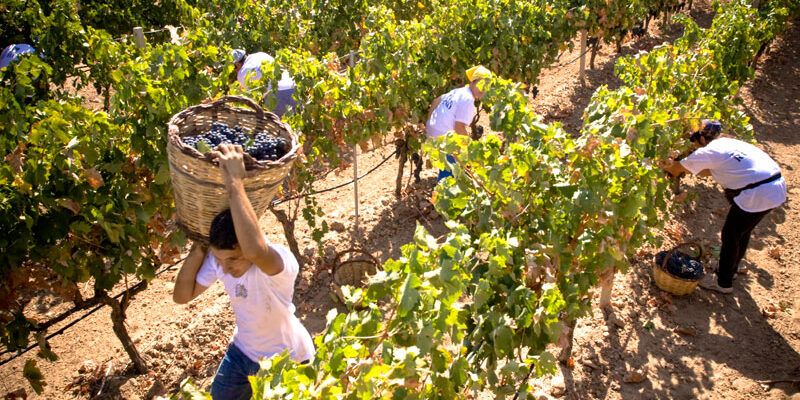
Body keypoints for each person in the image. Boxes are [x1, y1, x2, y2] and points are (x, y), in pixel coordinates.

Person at [173, 143, 314, 400]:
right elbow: (182, 296)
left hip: (288, 359)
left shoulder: (278, 263)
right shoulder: (221, 260)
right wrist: (200, 248)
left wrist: (234, 181)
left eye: (233, 259)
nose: (226, 268)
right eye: (220, 260)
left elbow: (254, 251)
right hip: (243, 352)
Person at [663, 120, 787, 294]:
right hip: (775, 186)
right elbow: (710, 171)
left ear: (701, 139)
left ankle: (723, 282)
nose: (693, 145)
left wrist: (666, 164)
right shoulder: (728, 143)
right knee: (742, 232)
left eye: (694, 141)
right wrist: (687, 167)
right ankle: (731, 271)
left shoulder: (707, 151)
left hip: (758, 192)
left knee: (730, 235)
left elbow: (675, 169)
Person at [426, 65, 492, 181]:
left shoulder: (459, 91)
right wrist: (470, 150)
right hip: (443, 137)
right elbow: (459, 128)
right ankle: (443, 192)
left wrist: (429, 123)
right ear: (473, 82)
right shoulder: (468, 100)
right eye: (481, 84)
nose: (483, 89)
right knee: (452, 167)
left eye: (487, 86)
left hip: (433, 132)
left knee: (452, 163)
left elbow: (436, 101)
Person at [231, 49, 296, 117]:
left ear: (237, 64)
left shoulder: (242, 74)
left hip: (278, 96)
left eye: (234, 67)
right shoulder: (261, 54)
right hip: (295, 88)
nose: (234, 70)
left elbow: (252, 98)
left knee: (276, 124)